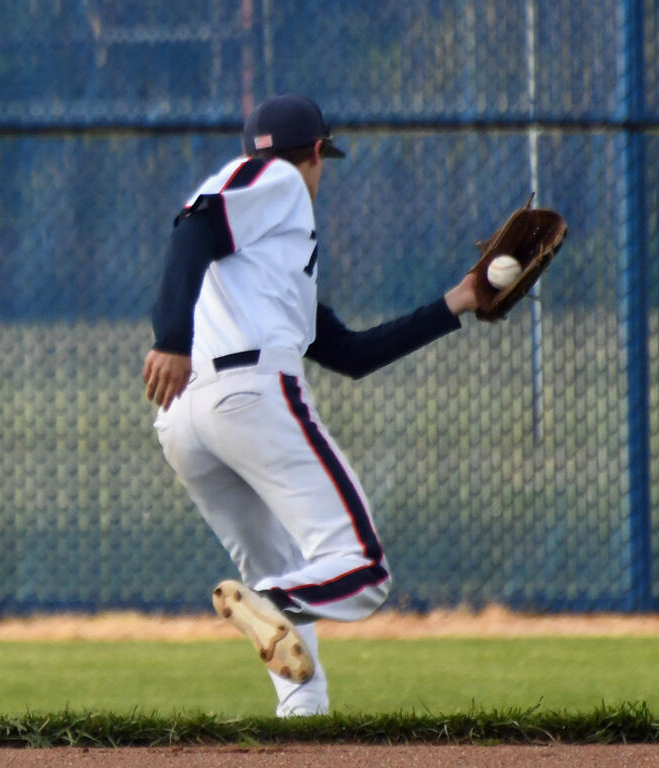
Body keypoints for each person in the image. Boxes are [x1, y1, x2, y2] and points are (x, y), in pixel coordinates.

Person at [142, 94, 480, 717]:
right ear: (318, 153)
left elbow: (351, 353)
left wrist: (456, 303)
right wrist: (170, 339)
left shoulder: (270, 257)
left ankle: (302, 711)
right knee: (363, 570)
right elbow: (192, 229)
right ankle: (266, 602)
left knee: (282, 567)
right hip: (248, 396)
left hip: (186, 419)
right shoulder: (276, 180)